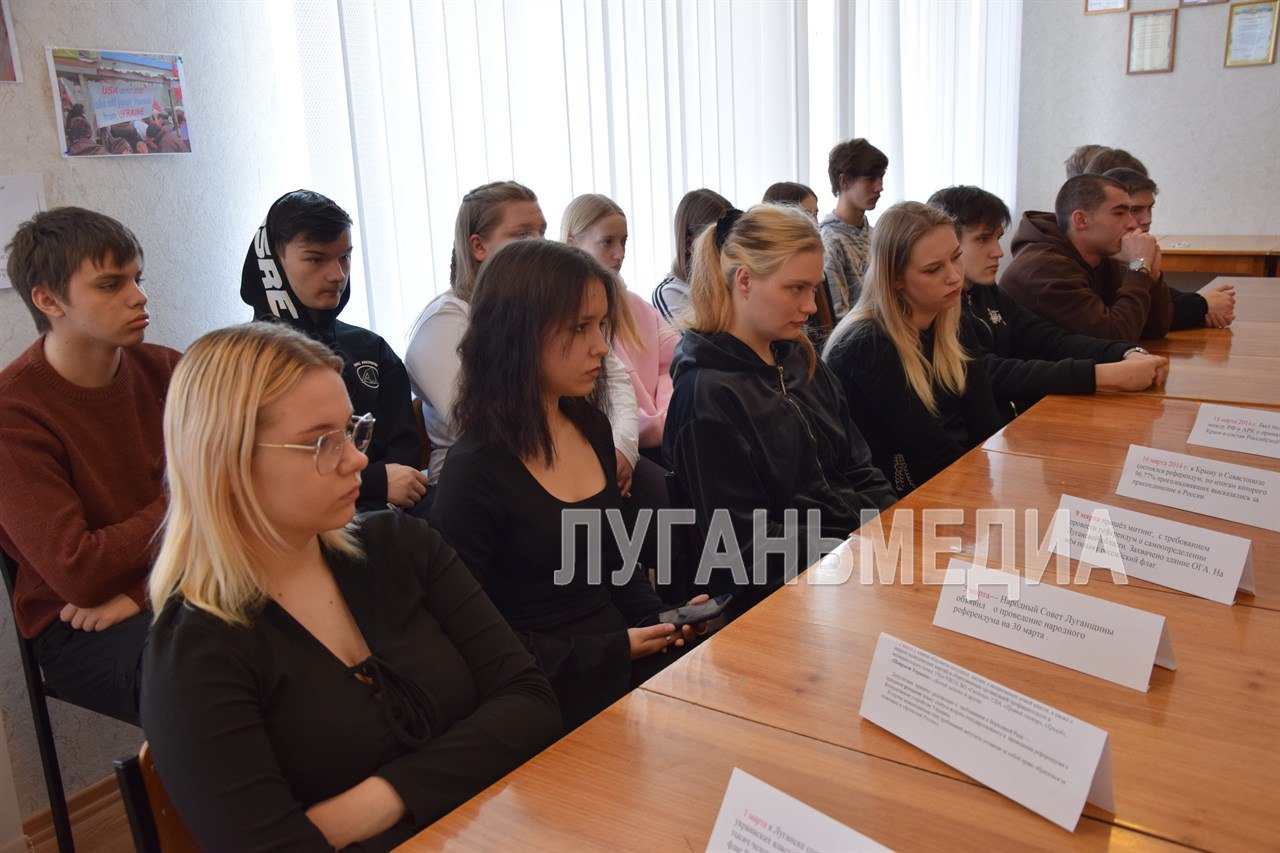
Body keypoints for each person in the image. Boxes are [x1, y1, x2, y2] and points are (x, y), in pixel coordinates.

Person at [140, 322, 560, 850]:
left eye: (351, 430)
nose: (358, 458)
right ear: (228, 460)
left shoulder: (400, 545)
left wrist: (375, 802)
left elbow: (531, 701)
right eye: (322, 442)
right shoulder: (195, 652)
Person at [430, 240, 703, 730]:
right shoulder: (474, 471)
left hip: (619, 659)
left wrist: (662, 620)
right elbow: (476, 641)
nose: (600, 346)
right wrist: (612, 650)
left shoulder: (590, 426)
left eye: (600, 326)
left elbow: (615, 563)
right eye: (580, 328)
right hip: (544, 692)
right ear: (519, 334)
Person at [665, 205, 897, 617]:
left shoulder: (800, 358)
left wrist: (895, 528)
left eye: (814, 288)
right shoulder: (706, 396)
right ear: (744, 280)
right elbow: (747, 547)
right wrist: (857, 549)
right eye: (796, 289)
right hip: (785, 596)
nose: (811, 306)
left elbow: (859, 468)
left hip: (847, 563)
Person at [0, 207, 180, 724]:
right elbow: (79, 570)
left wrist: (144, 592)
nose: (138, 296)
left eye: (138, 279)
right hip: (77, 624)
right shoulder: (14, 413)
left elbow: (250, 492)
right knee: (207, 667)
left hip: (184, 578)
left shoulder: (171, 369)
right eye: (110, 284)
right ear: (48, 300)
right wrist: (196, 499)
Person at [405, 182, 642, 500]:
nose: (539, 243)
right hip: (492, 486)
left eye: (542, 232)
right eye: (522, 235)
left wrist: (620, 448)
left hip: (572, 449)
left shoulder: (549, 305)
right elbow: (484, 424)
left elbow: (614, 379)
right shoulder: (442, 324)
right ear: (478, 246)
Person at [240, 189, 427, 515]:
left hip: (388, 517)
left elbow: (405, 457)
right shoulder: (241, 361)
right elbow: (263, 470)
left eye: (344, 257)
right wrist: (372, 481)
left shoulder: (372, 348)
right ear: (273, 264)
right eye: (316, 259)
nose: (337, 275)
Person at [926, 185, 1168, 418]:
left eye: (998, 238)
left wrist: (1126, 352)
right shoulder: (938, 304)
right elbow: (989, 373)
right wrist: (1102, 376)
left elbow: (1050, 341)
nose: (998, 252)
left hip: (1009, 420)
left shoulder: (987, 291)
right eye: (983, 239)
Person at [824, 202, 1003, 494]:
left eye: (956, 257)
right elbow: (932, 451)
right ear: (895, 278)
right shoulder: (866, 343)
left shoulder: (951, 320)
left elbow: (986, 426)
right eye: (933, 269)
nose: (954, 276)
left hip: (936, 479)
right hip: (887, 495)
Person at [562, 193, 677, 463]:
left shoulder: (636, 305)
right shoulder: (563, 316)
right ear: (572, 244)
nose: (620, 254)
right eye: (607, 242)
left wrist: (663, 418)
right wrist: (654, 425)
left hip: (663, 435)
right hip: (613, 445)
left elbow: (675, 362)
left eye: (624, 241)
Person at [999, 174, 1173, 342]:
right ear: (1081, 220)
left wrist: (1152, 276)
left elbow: (1154, 329)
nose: (1133, 224)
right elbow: (1115, 338)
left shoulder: (1105, 255)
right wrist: (1138, 268)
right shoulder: (1046, 268)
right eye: (1119, 213)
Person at [1104, 167, 1236, 329]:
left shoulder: (1130, 249)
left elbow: (1163, 302)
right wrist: (1203, 306)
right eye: (1136, 210)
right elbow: (1133, 321)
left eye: (1150, 208)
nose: (1147, 219)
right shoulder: (1100, 256)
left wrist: (1204, 304)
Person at [820, 137, 888, 317]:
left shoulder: (876, 234)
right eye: (870, 179)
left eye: (881, 178)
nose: (880, 187)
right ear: (844, 181)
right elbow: (839, 316)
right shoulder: (829, 241)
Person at [651, 188, 732, 324]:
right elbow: (694, 339)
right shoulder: (670, 292)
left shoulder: (733, 278)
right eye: (719, 237)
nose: (728, 245)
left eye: (731, 235)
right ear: (690, 244)